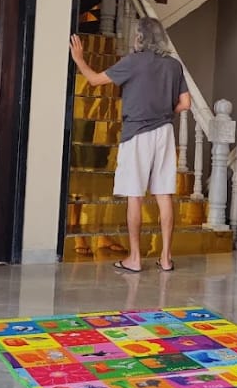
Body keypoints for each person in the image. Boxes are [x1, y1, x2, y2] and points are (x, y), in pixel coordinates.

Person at [70, 19, 191, 273]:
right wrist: (163, 112)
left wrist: (79, 59)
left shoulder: (133, 62)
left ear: (139, 37)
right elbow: (185, 104)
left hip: (136, 134)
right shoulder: (173, 65)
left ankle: (135, 259)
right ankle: (166, 258)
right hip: (164, 132)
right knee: (164, 195)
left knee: (135, 196)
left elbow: (94, 80)